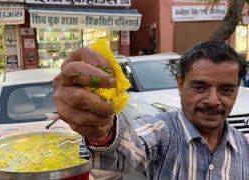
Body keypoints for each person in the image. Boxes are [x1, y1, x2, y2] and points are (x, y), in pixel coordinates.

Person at [53, 42, 249, 179]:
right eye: (199, 87)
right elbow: (127, 148)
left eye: (226, 90)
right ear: (180, 84)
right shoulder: (161, 131)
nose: (213, 100)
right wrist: (102, 130)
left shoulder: (244, 148)